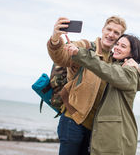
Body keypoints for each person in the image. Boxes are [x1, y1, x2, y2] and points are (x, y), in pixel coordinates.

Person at [47, 16, 128, 155]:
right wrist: (55, 38)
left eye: (116, 32)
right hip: (73, 121)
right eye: (109, 29)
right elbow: (60, 57)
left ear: (120, 37)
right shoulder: (85, 46)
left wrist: (136, 66)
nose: (111, 34)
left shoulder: (116, 61)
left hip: (95, 130)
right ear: (103, 30)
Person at [66, 34, 140, 155]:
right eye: (117, 44)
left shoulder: (129, 71)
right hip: (111, 135)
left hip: (116, 137)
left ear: (132, 53)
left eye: (123, 46)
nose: (117, 47)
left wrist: (80, 54)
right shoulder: (120, 67)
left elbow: (104, 69)